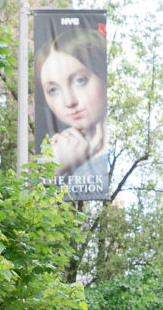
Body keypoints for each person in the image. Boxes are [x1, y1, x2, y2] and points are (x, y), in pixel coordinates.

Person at [34, 23, 108, 191]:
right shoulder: (59, 150)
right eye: (53, 90)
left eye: (80, 81)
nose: (69, 101)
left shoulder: (114, 160)